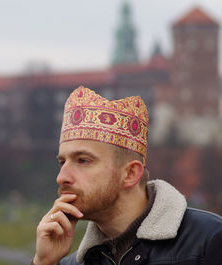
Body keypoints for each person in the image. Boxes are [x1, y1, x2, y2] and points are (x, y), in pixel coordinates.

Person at [32, 86, 222, 265]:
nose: (61, 177)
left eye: (83, 160)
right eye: (62, 162)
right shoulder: (71, 263)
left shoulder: (208, 242)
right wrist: (44, 262)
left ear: (130, 173)